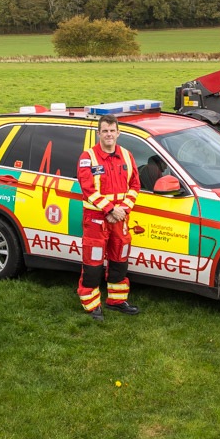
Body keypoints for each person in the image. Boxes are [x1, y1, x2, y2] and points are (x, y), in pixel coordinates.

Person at [76, 115, 141, 320]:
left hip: (120, 219)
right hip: (96, 219)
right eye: (105, 131)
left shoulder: (127, 156)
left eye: (112, 131)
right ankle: (92, 305)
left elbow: (135, 186)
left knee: (119, 260)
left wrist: (122, 210)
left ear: (118, 133)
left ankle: (117, 301)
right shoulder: (88, 157)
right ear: (99, 133)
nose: (109, 134)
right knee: (93, 264)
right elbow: (88, 189)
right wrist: (111, 210)